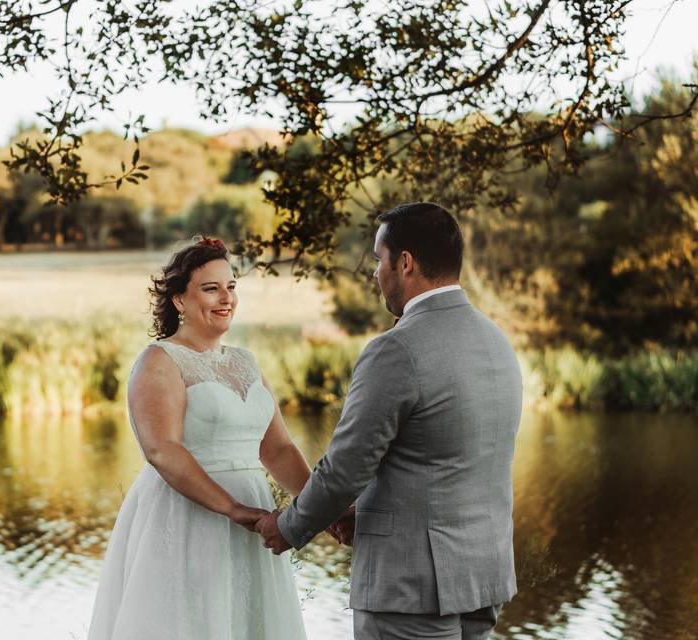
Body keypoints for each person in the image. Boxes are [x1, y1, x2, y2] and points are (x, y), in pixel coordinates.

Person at [257, 202, 523, 640]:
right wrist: (364, 512)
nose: (376, 273)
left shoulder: (396, 350)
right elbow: (445, 460)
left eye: (379, 260)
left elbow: (345, 468)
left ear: (405, 263)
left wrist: (288, 527)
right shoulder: (496, 341)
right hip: (482, 577)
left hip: (411, 586)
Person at [88, 236, 343, 640]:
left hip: (254, 523)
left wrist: (321, 509)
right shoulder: (159, 360)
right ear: (178, 300)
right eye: (211, 288)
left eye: (231, 287)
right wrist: (233, 509)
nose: (226, 298)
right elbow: (162, 450)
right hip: (189, 519)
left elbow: (276, 449)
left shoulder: (245, 361)